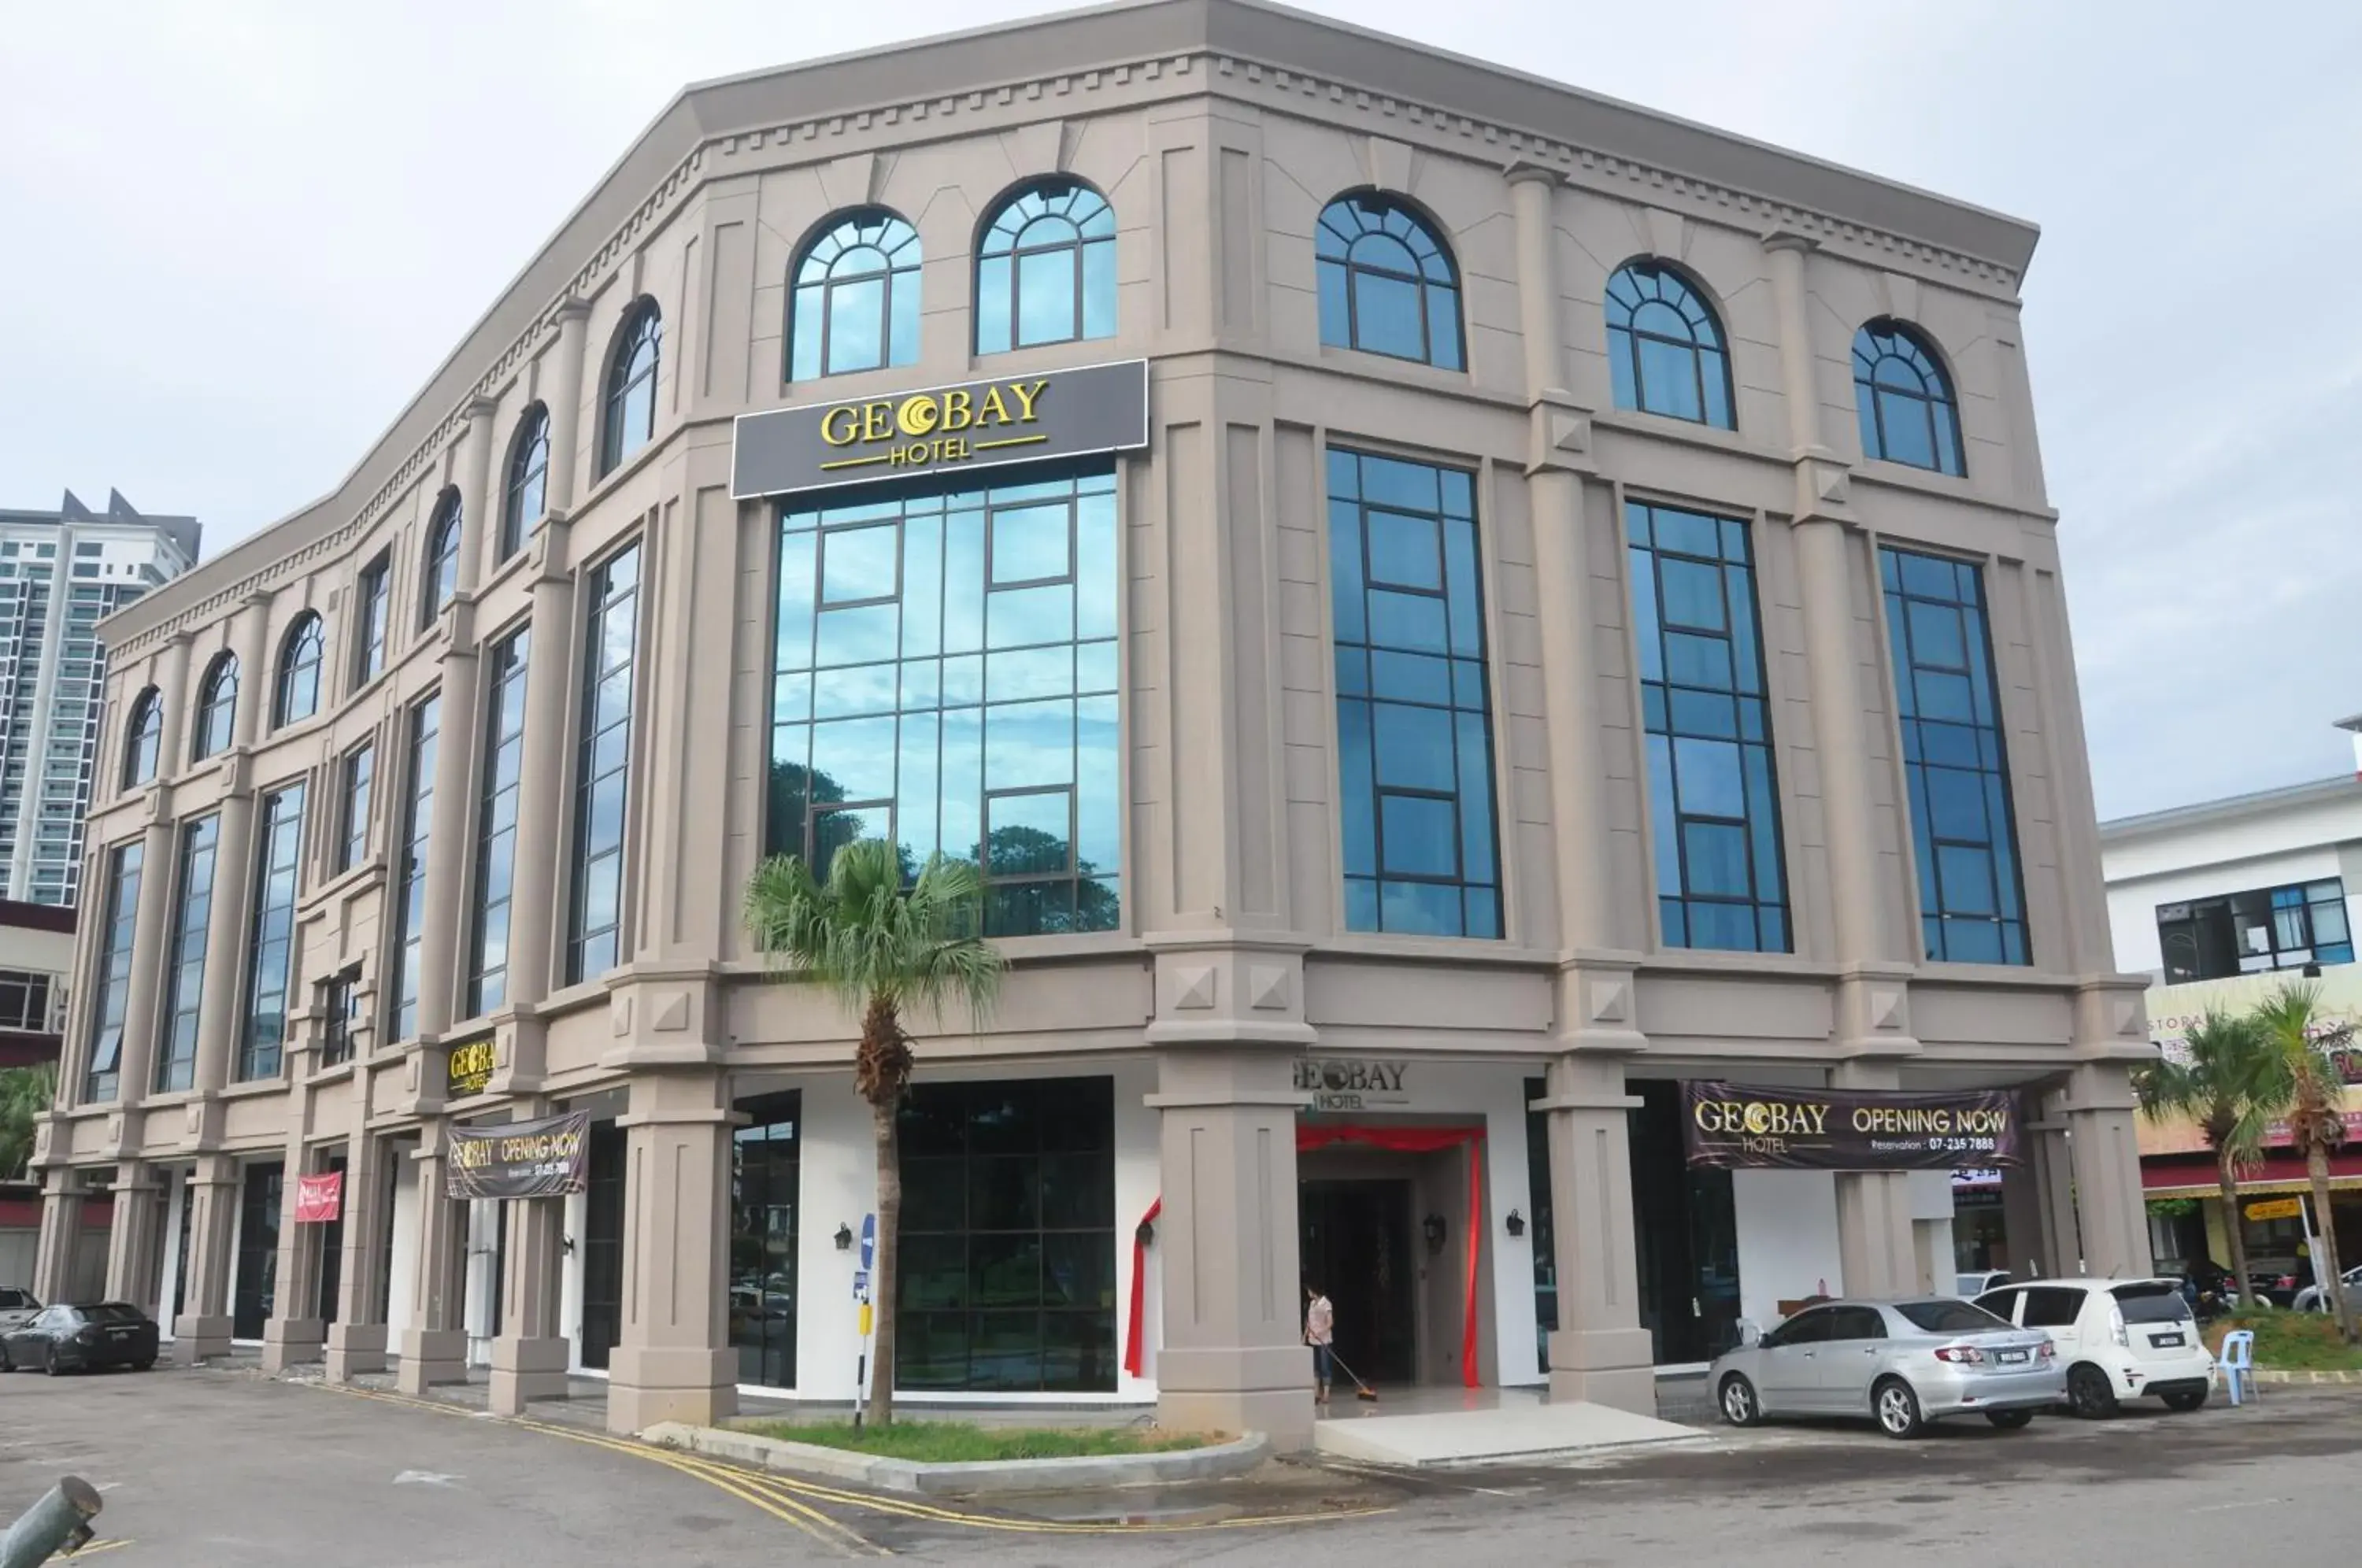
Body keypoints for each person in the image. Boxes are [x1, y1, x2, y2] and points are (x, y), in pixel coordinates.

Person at [1304, 1282, 1335, 1406]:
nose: (1308, 1293)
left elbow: (1330, 1322)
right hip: (1313, 1340)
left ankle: (1326, 1394)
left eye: (1309, 1290)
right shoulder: (1312, 1304)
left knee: (1325, 1367)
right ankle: (1316, 1393)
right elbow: (1309, 1322)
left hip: (1324, 1341)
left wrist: (1320, 1332)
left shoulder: (1326, 1303)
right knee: (1315, 1367)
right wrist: (1304, 1336)